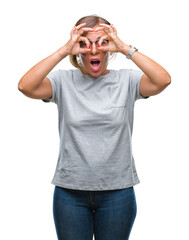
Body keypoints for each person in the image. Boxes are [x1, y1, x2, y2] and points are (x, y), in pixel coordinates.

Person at [18, 15, 171, 240]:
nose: (93, 50)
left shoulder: (127, 81)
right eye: (85, 43)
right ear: (77, 49)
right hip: (70, 193)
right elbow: (25, 86)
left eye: (101, 42)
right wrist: (63, 50)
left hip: (118, 192)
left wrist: (124, 47)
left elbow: (163, 80)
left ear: (109, 48)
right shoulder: (62, 82)